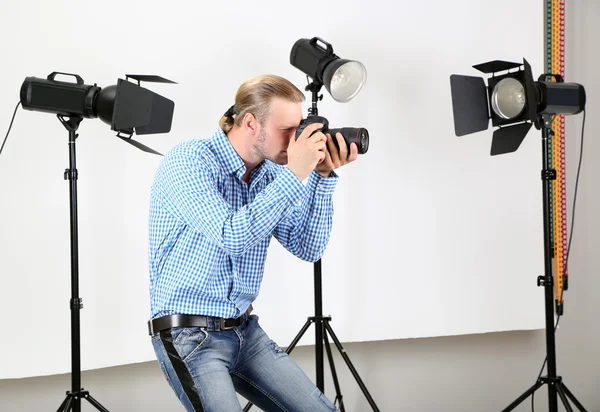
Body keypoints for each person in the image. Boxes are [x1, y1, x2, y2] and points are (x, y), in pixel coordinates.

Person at [147, 74, 358, 411]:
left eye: (299, 128)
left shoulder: (270, 174)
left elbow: (308, 247)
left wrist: (322, 177)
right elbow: (232, 235)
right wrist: (295, 175)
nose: (296, 141)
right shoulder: (189, 161)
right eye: (286, 131)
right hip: (189, 335)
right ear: (250, 123)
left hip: (245, 332)